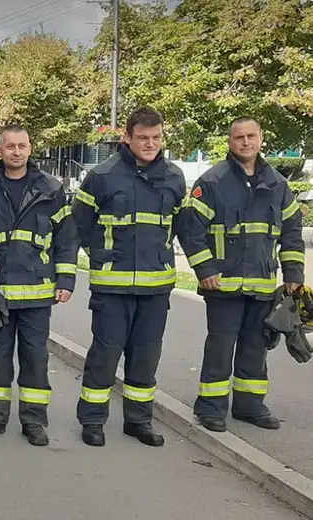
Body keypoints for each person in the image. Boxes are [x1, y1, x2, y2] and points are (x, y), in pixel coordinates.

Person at [177, 116, 304, 432]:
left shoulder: (277, 184)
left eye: (251, 136)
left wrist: (294, 273)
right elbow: (191, 230)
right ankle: (210, 408)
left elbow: (291, 231)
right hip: (223, 286)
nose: (245, 142)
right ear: (230, 142)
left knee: (255, 347)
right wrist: (205, 270)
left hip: (262, 285)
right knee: (220, 347)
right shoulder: (212, 182)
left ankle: (249, 406)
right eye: (239, 138)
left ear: (261, 139)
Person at [70, 107, 187, 448]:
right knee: (104, 356)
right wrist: (101, 256)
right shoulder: (102, 176)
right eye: (142, 138)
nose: (150, 144)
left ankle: (139, 421)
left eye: (156, 137)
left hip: (155, 288)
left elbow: (183, 226)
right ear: (127, 137)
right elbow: (80, 224)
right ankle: (92, 420)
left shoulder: (174, 177)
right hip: (111, 287)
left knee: (146, 357)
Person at [0, 124, 78, 446]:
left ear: (30, 148)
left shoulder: (50, 189)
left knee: (35, 360)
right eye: (10, 146)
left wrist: (66, 279)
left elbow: (67, 240)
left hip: (38, 295)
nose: (16, 152)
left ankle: (34, 421)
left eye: (22, 146)